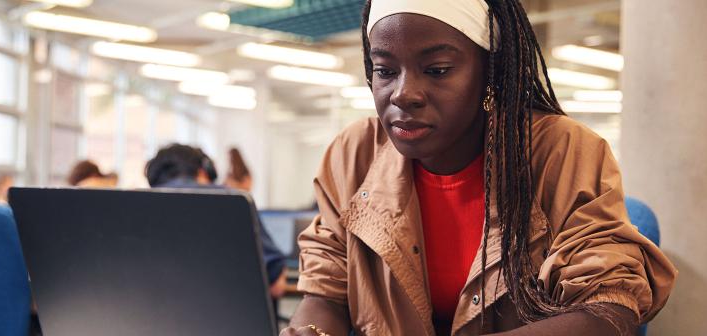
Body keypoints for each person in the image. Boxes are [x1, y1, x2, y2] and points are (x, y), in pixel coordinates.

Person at [282, 1, 677, 336]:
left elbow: (609, 309)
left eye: (437, 70)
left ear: (489, 71)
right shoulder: (354, 154)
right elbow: (325, 294)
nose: (403, 93)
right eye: (385, 70)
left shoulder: (562, 150)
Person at [145, 144, 288, 299]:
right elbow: (277, 286)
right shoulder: (233, 200)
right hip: (230, 320)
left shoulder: (138, 206)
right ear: (203, 171)